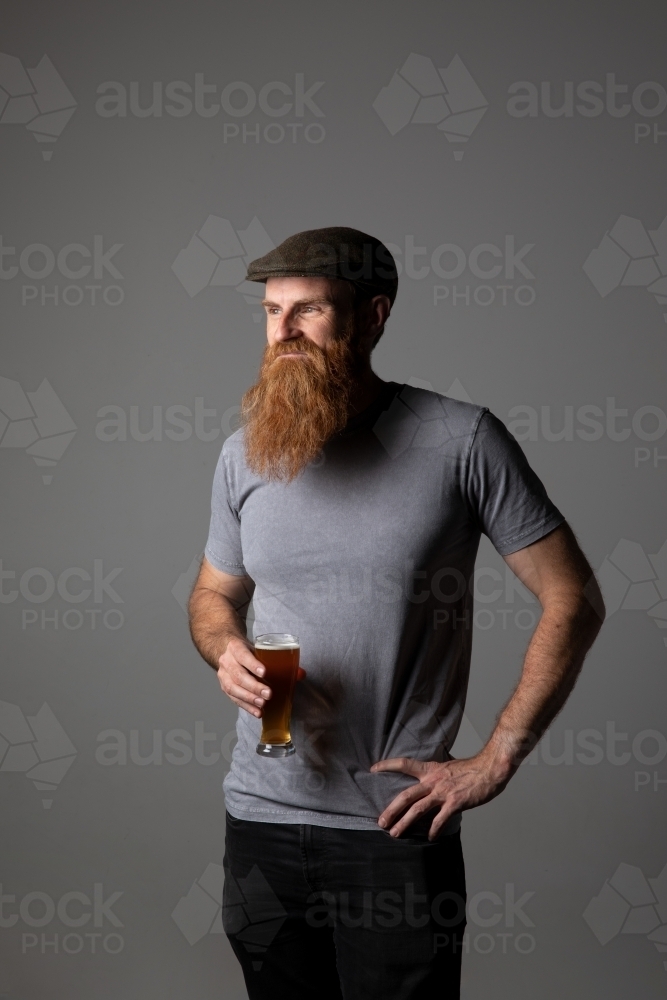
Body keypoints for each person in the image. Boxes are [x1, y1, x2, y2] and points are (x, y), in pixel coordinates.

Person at [188, 227, 604, 999]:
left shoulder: (459, 439)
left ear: (373, 316)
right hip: (259, 820)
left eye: (308, 310)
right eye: (271, 311)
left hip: (392, 832)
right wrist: (224, 650)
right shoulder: (244, 453)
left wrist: (495, 758)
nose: (281, 331)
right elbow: (214, 597)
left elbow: (572, 597)